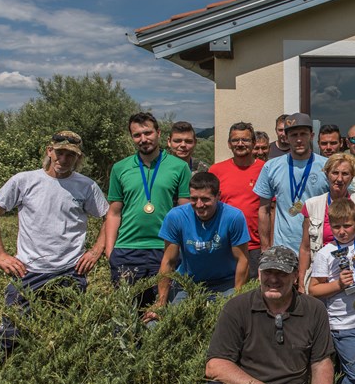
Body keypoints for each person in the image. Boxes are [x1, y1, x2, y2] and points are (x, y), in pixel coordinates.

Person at [0, 131, 109, 358]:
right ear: (49, 151)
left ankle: (58, 381)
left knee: (66, 335)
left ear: (78, 158)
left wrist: (96, 251)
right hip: (27, 271)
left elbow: (108, 217)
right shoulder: (24, 180)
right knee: (11, 333)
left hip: (70, 272)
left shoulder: (86, 186)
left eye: (70, 156)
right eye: (59, 153)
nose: (63, 160)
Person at [197, 246, 335, 384]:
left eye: (281, 273)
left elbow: (321, 364)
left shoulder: (314, 309)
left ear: (295, 276)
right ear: (259, 274)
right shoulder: (237, 307)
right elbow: (215, 365)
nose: (273, 279)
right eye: (268, 272)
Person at [105, 112, 191, 309]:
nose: (143, 139)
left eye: (148, 133)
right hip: (127, 250)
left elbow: (185, 211)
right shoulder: (120, 168)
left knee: (161, 313)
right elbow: (114, 212)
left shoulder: (179, 167)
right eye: (137, 135)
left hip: (164, 250)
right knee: (125, 316)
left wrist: (182, 250)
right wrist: (111, 252)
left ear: (159, 133)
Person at [148, 172, 249, 325]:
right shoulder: (176, 217)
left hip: (225, 283)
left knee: (229, 324)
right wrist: (161, 302)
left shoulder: (233, 217)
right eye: (194, 199)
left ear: (218, 196)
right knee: (157, 325)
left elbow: (242, 259)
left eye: (205, 199)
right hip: (189, 284)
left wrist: (237, 296)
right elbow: (168, 262)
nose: (199, 205)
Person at [309, 198, 355, 384]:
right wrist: (338, 285)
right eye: (336, 226)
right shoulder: (326, 253)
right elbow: (313, 290)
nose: (342, 231)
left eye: (347, 225)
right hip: (344, 325)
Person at [254, 112, 329, 253]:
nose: (299, 140)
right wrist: (265, 248)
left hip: (319, 246)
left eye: (303, 134)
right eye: (294, 135)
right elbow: (264, 210)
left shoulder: (327, 167)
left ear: (311, 136)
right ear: (287, 138)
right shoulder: (271, 166)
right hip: (283, 248)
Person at [297, 153, 355, 291]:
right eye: (335, 173)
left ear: (352, 177)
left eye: (345, 174)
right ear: (327, 174)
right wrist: (301, 284)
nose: (339, 179)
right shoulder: (312, 205)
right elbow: (305, 248)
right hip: (321, 275)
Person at [210, 122, 265, 279]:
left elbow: (271, 209)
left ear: (254, 143)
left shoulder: (265, 169)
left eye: (245, 140)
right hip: (224, 245)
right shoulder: (216, 170)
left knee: (254, 297)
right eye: (235, 140)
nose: (240, 144)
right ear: (229, 143)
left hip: (254, 246)